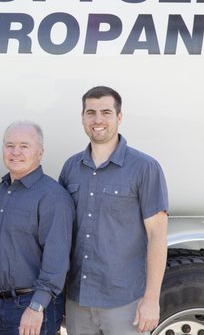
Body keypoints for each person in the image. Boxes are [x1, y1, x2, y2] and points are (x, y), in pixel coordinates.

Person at [59, 86, 169, 335]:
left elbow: (157, 236)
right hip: (78, 299)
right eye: (91, 112)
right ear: (83, 118)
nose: (98, 120)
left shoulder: (144, 168)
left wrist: (151, 300)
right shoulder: (71, 168)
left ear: (119, 117)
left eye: (106, 112)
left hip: (124, 302)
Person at [0, 120, 74, 335]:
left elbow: (56, 259)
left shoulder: (52, 197)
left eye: (24, 146)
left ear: (40, 152)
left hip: (31, 308)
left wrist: (37, 306)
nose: (15, 152)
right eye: (9, 145)